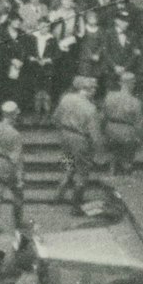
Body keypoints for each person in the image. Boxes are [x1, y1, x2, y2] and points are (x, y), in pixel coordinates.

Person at [50, 75, 102, 208]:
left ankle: (57, 197)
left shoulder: (66, 98)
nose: (94, 92)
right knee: (82, 173)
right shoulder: (90, 108)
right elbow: (95, 135)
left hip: (65, 137)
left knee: (68, 168)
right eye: (93, 89)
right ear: (90, 90)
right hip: (80, 141)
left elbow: (55, 118)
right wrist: (98, 152)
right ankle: (76, 204)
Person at [0, 101, 27, 244]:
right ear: (13, 115)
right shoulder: (15, 134)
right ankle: (18, 223)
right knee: (17, 195)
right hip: (9, 166)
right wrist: (20, 177)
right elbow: (17, 158)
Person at [100, 71, 143, 176]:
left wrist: (102, 131)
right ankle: (127, 168)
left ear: (120, 83)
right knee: (128, 153)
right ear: (132, 84)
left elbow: (102, 116)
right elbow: (139, 124)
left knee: (113, 150)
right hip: (127, 131)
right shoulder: (135, 102)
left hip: (110, 129)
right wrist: (142, 140)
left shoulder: (109, 96)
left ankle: (112, 170)